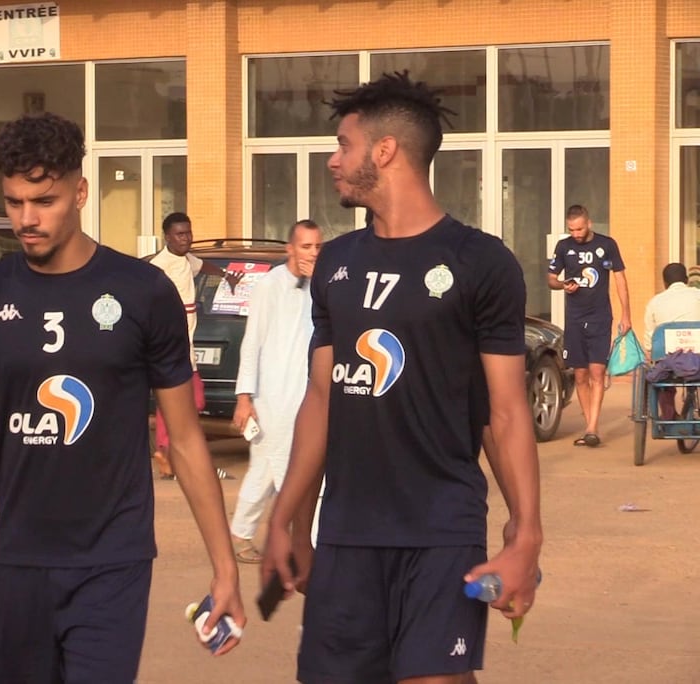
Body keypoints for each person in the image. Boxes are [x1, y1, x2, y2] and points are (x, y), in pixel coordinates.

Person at [0, 112, 246, 682]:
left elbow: (185, 441)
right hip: (19, 559)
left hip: (114, 561)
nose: (27, 219)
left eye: (45, 201)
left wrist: (225, 567)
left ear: (80, 192)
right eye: (14, 202)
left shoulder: (143, 292)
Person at [261, 72, 543, 684]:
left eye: (343, 145)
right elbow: (321, 400)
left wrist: (526, 535)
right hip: (347, 531)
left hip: (442, 527)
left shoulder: (481, 262)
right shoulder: (335, 264)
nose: (334, 161)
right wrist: (289, 520)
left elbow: (505, 412)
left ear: (385, 150)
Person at [229, 219, 322, 564]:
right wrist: (244, 397)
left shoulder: (322, 286)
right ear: (290, 249)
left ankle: (241, 532)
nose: (312, 253)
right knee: (292, 468)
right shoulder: (269, 285)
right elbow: (251, 341)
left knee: (265, 468)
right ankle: (309, 543)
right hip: (273, 397)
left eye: (317, 246)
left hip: (307, 393)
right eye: (306, 246)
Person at [150, 211, 241, 479]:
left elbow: (204, 266)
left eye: (188, 233)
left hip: (186, 345)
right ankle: (171, 453)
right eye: (179, 234)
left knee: (194, 399)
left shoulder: (187, 259)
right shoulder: (159, 267)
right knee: (178, 398)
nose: (186, 238)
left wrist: (227, 276)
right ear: (167, 237)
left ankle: (171, 452)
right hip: (170, 344)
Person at [547, 204, 630, 448]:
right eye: (571, 229)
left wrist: (626, 314)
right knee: (580, 374)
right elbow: (551, 279)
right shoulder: (563, 247)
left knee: (597, 372)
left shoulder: (607, 245)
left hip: (599, 317)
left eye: (579, 229)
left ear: (589, 224)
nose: (576, 234)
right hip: (574, 318)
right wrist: (563, 284)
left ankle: (593, 428)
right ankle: (589, 426)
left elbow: (620, 278)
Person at [643, 262, 700, 419]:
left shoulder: (655, 302)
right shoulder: (697, 295)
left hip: (668, 363)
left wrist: (651, 354)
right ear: (686, 280)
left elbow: (649, 341)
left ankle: (668, 415)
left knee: (660, 371)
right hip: (698, 359)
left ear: (665, 283)